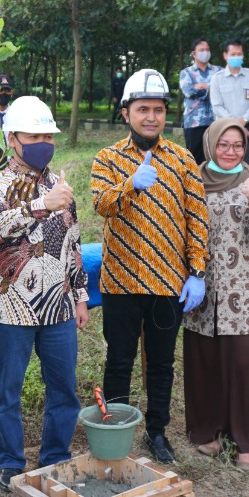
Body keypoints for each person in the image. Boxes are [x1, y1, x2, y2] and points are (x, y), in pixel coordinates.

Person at [91, 68, 209, 463]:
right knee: (119, 359)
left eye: (158, 110)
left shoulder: (182, 159)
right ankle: (116, 429)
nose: (151, 118)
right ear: (126, 113)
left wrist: (197, 272)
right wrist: (130, 185)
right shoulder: (107, 158)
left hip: (166, 283)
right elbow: (101, 205)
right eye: (143, 109)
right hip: (121, 282)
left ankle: (157, 432)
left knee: (161, 362)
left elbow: (197, 216)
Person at [0, 96, 89, 490]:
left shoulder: (61, 185)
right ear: (12, 139)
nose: (44, 142)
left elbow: (74, 243)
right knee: (8, 390)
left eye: (48, 135)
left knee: (63, 386)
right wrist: (43, 204)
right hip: (11, 308)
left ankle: (56, 457)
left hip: (58, 305)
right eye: (34, 135)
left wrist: (80, 295)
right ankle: (10, 463)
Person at [182, 117, 249, 471]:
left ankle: (246, 442)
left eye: (238, 145)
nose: (231, 152)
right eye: (223, 144)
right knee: (205, 363)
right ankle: (207, 434)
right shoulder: (191, 179)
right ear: (210, 144)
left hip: (245, 293)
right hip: (202, 290)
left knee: (243, 365)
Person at [209, 40, 249, 169]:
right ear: (225, 55)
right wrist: (235, 124)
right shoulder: (217, 78)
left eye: (239, 54)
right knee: (225, 164)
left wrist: (244, 120)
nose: (236, 57)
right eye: (233, 54)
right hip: (224, 129)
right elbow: (217, 106)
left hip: (248, 127)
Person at [180, 38, 220, 166]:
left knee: (214, 158)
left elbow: (223, 91)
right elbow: (189, 92)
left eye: (207, 49)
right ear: (194, 54)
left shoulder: (218, 71)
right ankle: (193, 185)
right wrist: (212, 88)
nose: (205, 52)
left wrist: (204, 86)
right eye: (202, 50)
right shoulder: (186, 73)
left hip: (216, 121)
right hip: (194, 122)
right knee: (194, 160)